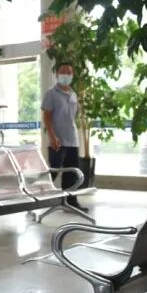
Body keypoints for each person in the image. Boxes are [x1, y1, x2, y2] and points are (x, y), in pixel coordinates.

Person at [41, 62, 86, 210]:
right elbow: (47, 117)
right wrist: (52, 137)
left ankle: (71, 203)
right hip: (57, 141)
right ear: (57, 74)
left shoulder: (73, 94)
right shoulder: (51, 93)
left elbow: (74, 116)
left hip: (72, 140)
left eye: (69, 73)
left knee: (71, 174)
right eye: (63, 72)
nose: (65, 75)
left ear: (72, 75)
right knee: (53, 172)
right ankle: (35, 199)